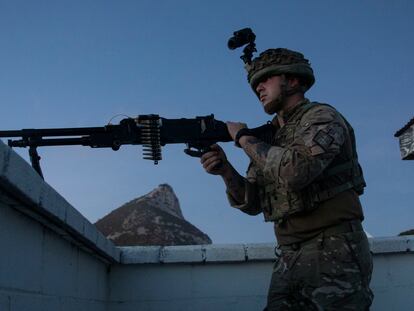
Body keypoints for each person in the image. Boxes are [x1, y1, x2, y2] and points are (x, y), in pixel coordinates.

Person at [201, 48, 373, 310]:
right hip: (289, 254)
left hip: (334, 249)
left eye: (265, 79)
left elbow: (296, 172)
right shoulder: (272, 136)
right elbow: (254, 202)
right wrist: (226, 171)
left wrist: (243, 138)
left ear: (293, 81)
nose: (258, 87)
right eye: (255, 83)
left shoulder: (322, 117)